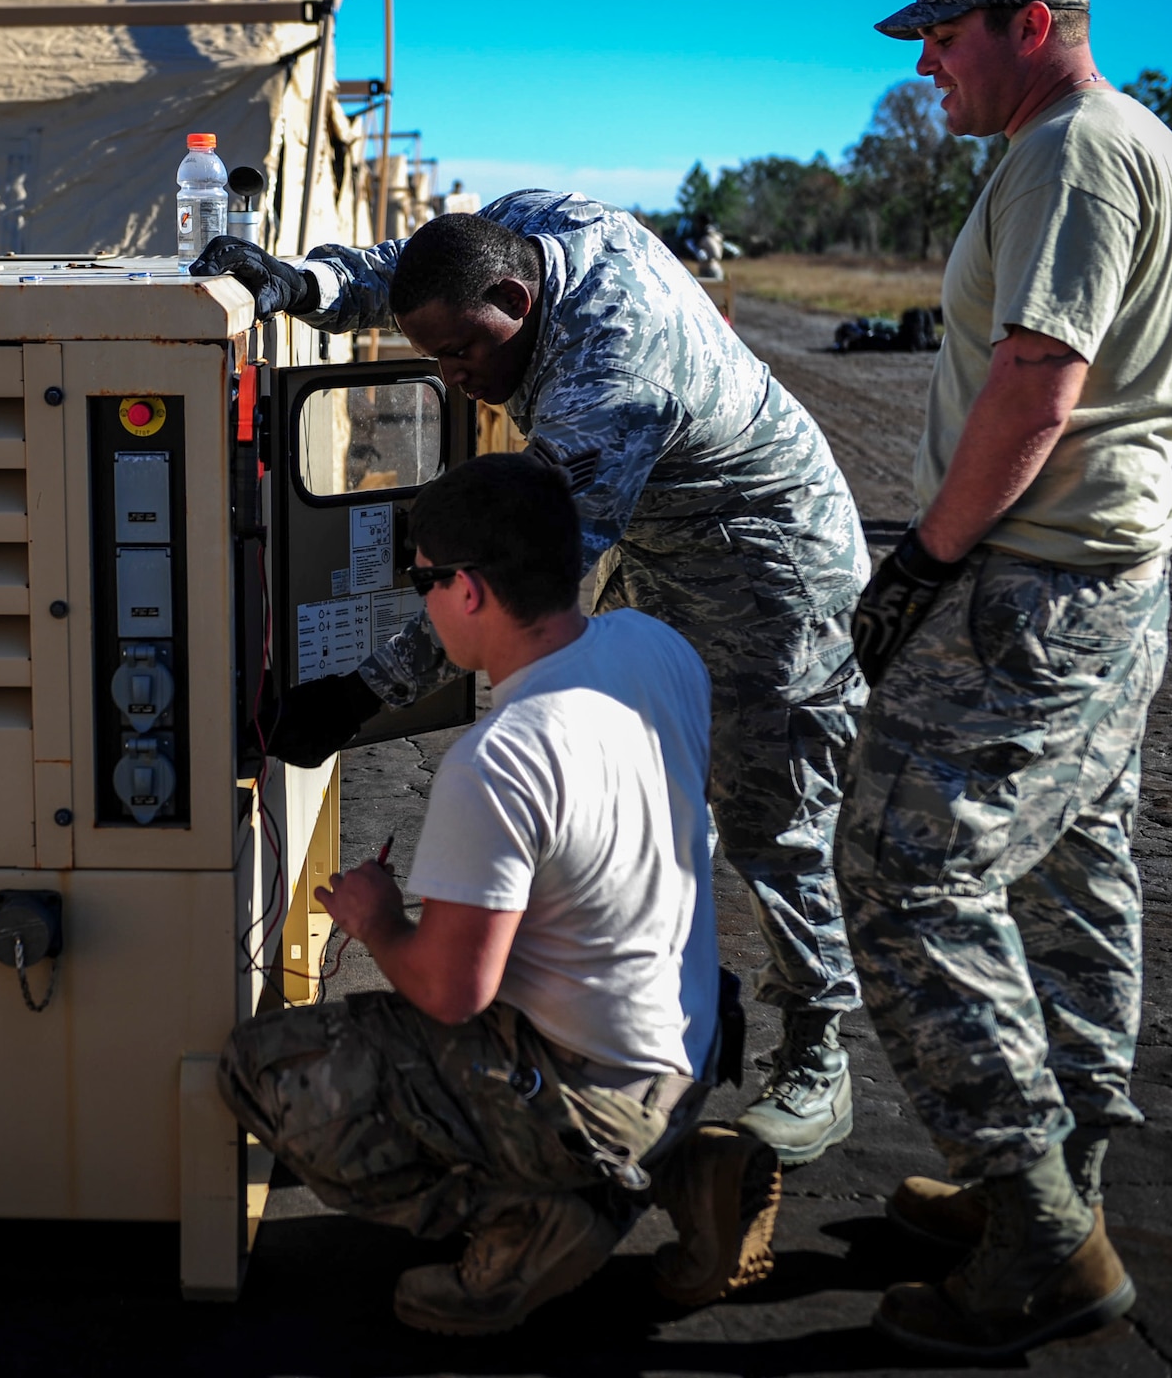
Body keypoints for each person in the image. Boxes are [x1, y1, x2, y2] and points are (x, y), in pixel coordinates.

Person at [195, 192, 871, 1169]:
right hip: (662, 546)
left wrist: (357, 694)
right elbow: (415, 268)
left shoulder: (609, 380)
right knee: (629, 780)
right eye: (435, 357)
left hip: (769, 572)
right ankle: (625, 996)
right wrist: (309, 283)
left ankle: (816, 1055)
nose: (452, 376)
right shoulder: (533, 226)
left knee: (772, 817)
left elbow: (509, 584)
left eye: (464, 354)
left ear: (518, 298)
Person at [847, 0, 1172, 1359]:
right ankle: (1058, 1179)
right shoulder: (1146, 139)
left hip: (1034, 585)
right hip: (1111, 580)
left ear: (1032, 21)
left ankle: (1036, 1225)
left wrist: (926, 559)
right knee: (1078, 863)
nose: (924, 61)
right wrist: (1142, 433)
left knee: (903, 870)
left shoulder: (1070, 150)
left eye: (944, 32)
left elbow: (1037, 374)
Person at [217, 454, 781, 1335]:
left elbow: (451, 991)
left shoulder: (500, 760)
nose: (422, 600)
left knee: (261, 1066)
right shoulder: (653, 647)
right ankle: (680, 1169)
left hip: (595, 1094)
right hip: (693, 1045)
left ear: (469, 590)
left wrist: (376, 917)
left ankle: (538, 1217)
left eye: (424, 581)